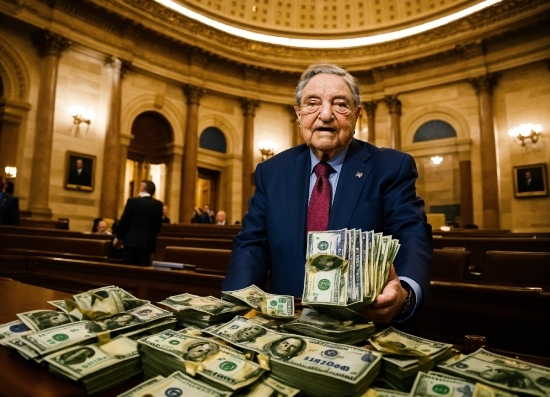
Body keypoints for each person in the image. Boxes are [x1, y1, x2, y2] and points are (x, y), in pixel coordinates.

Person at [222, 63, 432, 328]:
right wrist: (233, 310)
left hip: (358, 325)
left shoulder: (390, 167)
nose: (325, 114)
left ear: (357, 115)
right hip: (283, 324)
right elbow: (252, 244)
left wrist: (405, 293)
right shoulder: (271, 171)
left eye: (340, 104)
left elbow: (411, 234)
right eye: (312, 103)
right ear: (298, 114)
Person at [113, 180, 163, 266]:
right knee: (142, 273)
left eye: (140, 186)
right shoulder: (158, 205)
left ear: (143, 188)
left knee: (128, 270)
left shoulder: (133, 201)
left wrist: (118, 237)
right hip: (148, 243)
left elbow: (125, 221)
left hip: (131, 242)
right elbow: (158, 225)